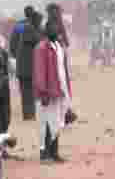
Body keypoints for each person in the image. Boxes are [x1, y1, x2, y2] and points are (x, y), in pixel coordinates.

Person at [33, 23, 74, 163]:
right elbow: (39, 72)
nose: (55, 32)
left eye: (56, 30)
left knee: (56, 123)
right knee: (45, 124)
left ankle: (54, 153)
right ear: (46, 31)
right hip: (46, 93)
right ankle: (44, 154)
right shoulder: (41, 48)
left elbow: (64, 71)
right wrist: (43, 92)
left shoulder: (59, 47)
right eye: (52, 30)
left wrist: (67, 91)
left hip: (58, 91)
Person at [15, 11, 43, 121]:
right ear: (35, 20)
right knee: (27, 93)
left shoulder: (27, 27)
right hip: (26, 69)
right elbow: (39, 40)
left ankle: (29, 114)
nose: (40, 23)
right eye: (39, 21)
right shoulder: (29, 29)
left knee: (28, 92)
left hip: (26, 68)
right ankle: (28, 115)